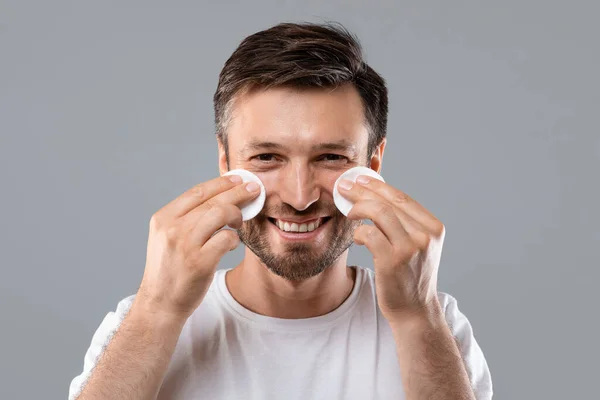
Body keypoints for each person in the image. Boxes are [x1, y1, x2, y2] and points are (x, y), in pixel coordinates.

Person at [69, 22, 493, 400]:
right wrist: (157, 310)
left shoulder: (435, 324)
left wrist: (416, 315)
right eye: (267, 157)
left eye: (330, 157)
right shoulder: (138, 322)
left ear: (373, 166)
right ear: (226, 161)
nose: (299, 195)